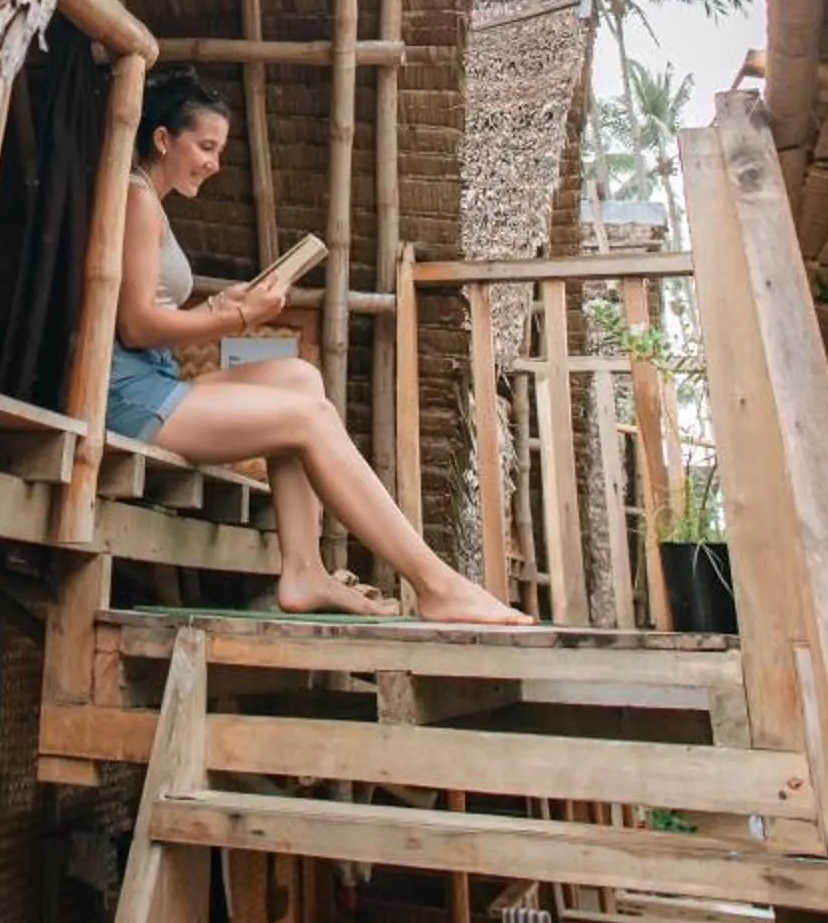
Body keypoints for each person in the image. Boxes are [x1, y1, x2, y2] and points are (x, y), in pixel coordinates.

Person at [110, 73, 528, 625]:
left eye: (219, 150)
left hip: (157, 381)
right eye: (205, 147)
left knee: (300, 378)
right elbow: (137, 326)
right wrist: (234, 316)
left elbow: (149, 312)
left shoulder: (153, 204)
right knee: (307, 418)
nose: (213, 163)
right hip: (130, 397)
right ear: (163, 139)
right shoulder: (136, 201)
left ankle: (304, 568)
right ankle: (435, 583)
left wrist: (227, 305)